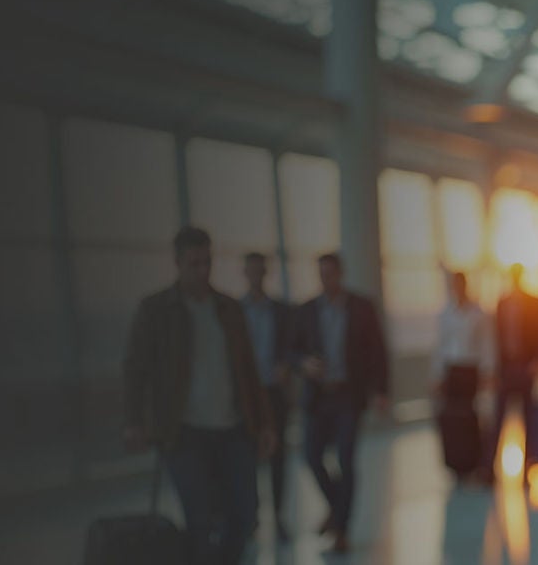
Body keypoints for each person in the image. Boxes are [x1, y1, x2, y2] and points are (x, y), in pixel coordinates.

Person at [122, 226, 270, 564]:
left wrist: (264, 424)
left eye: (207, 262)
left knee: (246, 515)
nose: (202, 271)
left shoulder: (228, 310)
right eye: (194, 264)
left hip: (233, 429)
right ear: (177, 263)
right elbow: (135, 369)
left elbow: (248, 371)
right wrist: (133, 421)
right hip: (184, 432)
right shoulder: (156, 310)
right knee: (200, 520)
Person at [293, 253, 390, 552]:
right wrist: (304, 363)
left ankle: (341, 529)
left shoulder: (361, 308)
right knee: (311, 456)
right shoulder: (307, 310)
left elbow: (378, 351)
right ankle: (337, 511)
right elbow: (292, 349)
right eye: (321, 275)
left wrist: (381, 391)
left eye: (330, 274)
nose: (326, 280)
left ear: (340, 274)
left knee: (346, 461)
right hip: (319, 397)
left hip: (349, 395)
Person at [240, 252, 295, 542]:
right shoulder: (235, 312)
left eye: (260, 270)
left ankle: (278, 517)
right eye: (251, 270)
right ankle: (251, 517)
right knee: (246, 457)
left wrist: (285, 365)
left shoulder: (280, 311)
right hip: (247, 396)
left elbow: (292, 346)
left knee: (277, 456)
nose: (256, 275)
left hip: (273, 392)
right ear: (245, 273)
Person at [487, 263, 538, 479]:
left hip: (525, 365)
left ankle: (527, 467)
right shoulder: (502, 302)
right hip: (506, 367)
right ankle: (489, 468)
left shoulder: (534, 302)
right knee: (498, 418)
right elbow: (496, 338)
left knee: (529, 418)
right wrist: (494, 369)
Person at [431, 271, 493, 482]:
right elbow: (440, 347)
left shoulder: (477, 313)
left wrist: (487, 371)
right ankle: (455, 465)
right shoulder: (445, 314)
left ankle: (473, 463)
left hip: (470, 370)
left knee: (470, 418)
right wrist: (437, 375)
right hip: (452, 370)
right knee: (452, 419)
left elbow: (487, 345)